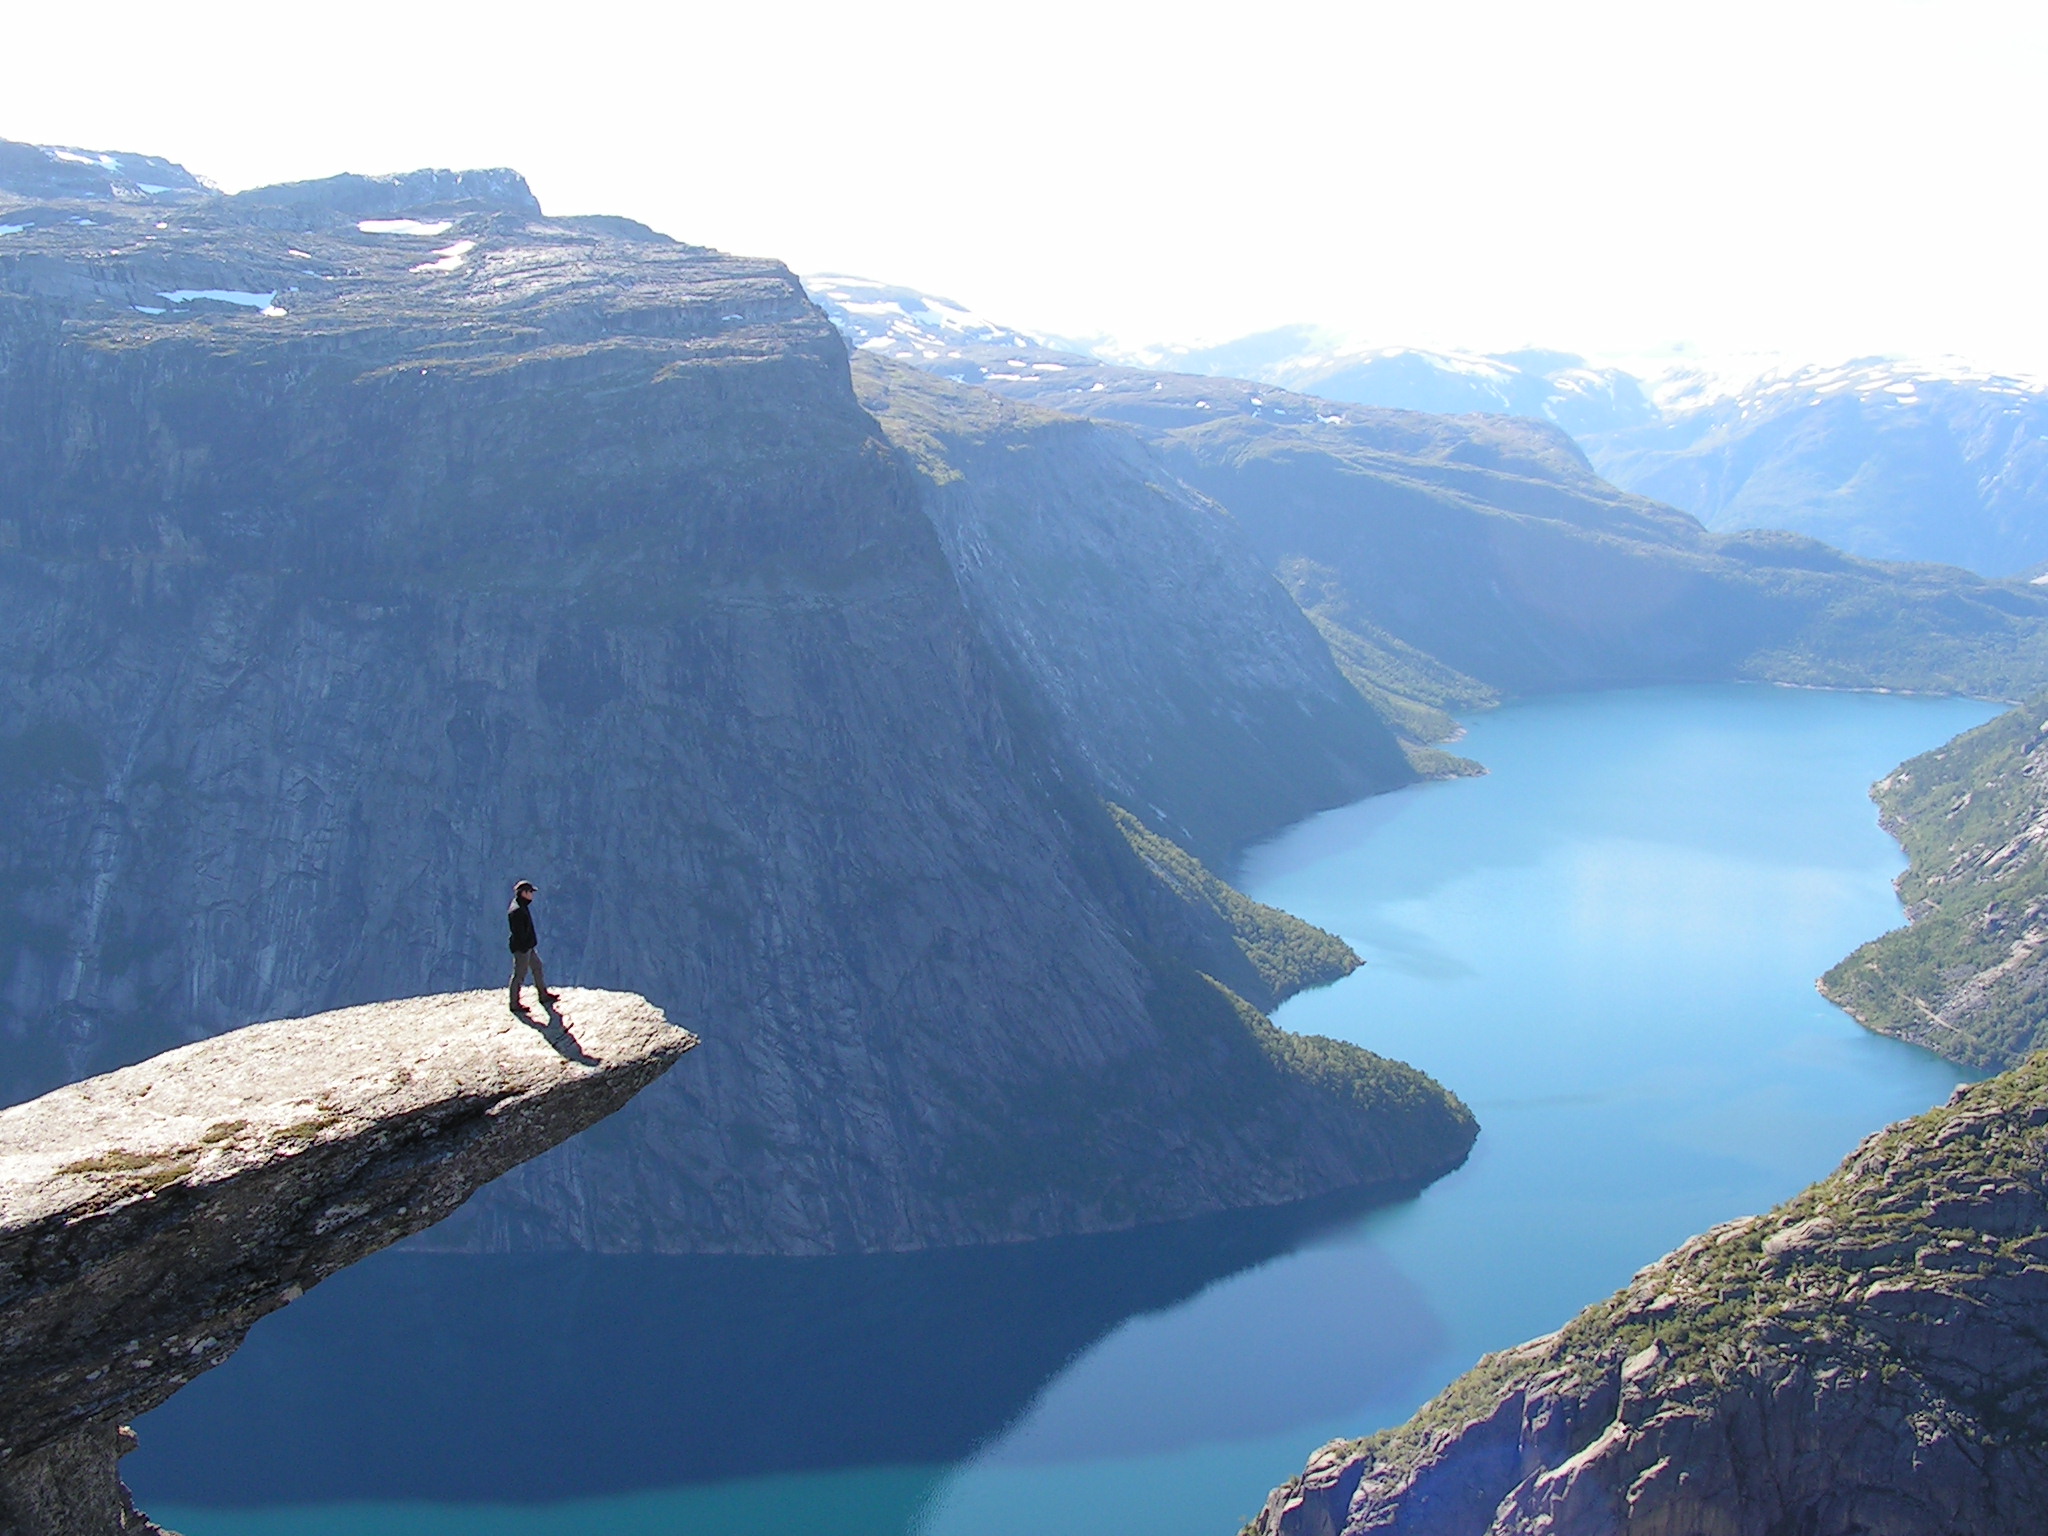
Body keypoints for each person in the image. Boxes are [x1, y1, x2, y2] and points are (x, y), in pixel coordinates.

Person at [507, 881, 559, 1011]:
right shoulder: (517, 910)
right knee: (519, 975)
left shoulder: (521, 905)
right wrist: (525, 947)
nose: (532, 895)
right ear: (523, 893)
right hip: (522, 949)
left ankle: (543, 995)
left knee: (537, 967)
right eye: (530, 892)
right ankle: (514, 1004)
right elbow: (519, 933)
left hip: (527, 947)